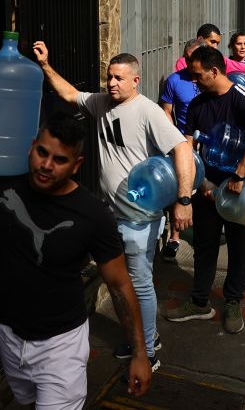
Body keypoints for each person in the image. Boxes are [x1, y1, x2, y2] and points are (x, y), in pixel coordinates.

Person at [0, 112, 153, 407]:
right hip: (7, 333)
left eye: (59, 160)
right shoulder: (2, 183)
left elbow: (120, 285)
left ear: (76, 165)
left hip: (61, 347)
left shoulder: (93, 215)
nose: (46, 165)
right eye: (42, 152)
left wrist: (140, 354)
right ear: (32, 146)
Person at [34, 43, 196, 368]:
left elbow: (181, 148)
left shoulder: (147, 110)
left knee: (138, 281)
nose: (112, 83)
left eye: (119, 78)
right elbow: (69, 94)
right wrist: (46, 65)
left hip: (139, 217)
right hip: (112, 214)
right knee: (122, 281)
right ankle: (146, 336)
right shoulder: (101, 103)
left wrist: (184, 199)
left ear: (135, 80)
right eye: (109, 77)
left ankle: (147, 352)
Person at [163, 46, 245, 334]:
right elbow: (188, 146)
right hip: (207, 189)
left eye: (197, 75)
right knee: (204, 246)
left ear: (214, 71)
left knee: (239, 248)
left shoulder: (242, 96)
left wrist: (238, 175)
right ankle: (200, 302)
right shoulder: (198, 104)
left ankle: (233, 301)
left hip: (240, 191)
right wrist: (198, 184)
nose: (193, 81)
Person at [159, 40, 205, 263]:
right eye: (186, 57)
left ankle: (204, 239)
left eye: (193, 57)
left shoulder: (213, 77)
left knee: (205, 194)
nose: (188, 62)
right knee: (181, 188)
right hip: (183, 145)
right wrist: (175, 138)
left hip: (209, 145)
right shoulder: (174, 80)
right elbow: (166, 111)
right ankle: (175, 237)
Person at [175, 25, 245, 113]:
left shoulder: (220, 60)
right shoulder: (183, 63)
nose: (215, 47)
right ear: (200, 39)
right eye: (212, 41)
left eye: (217, 43)